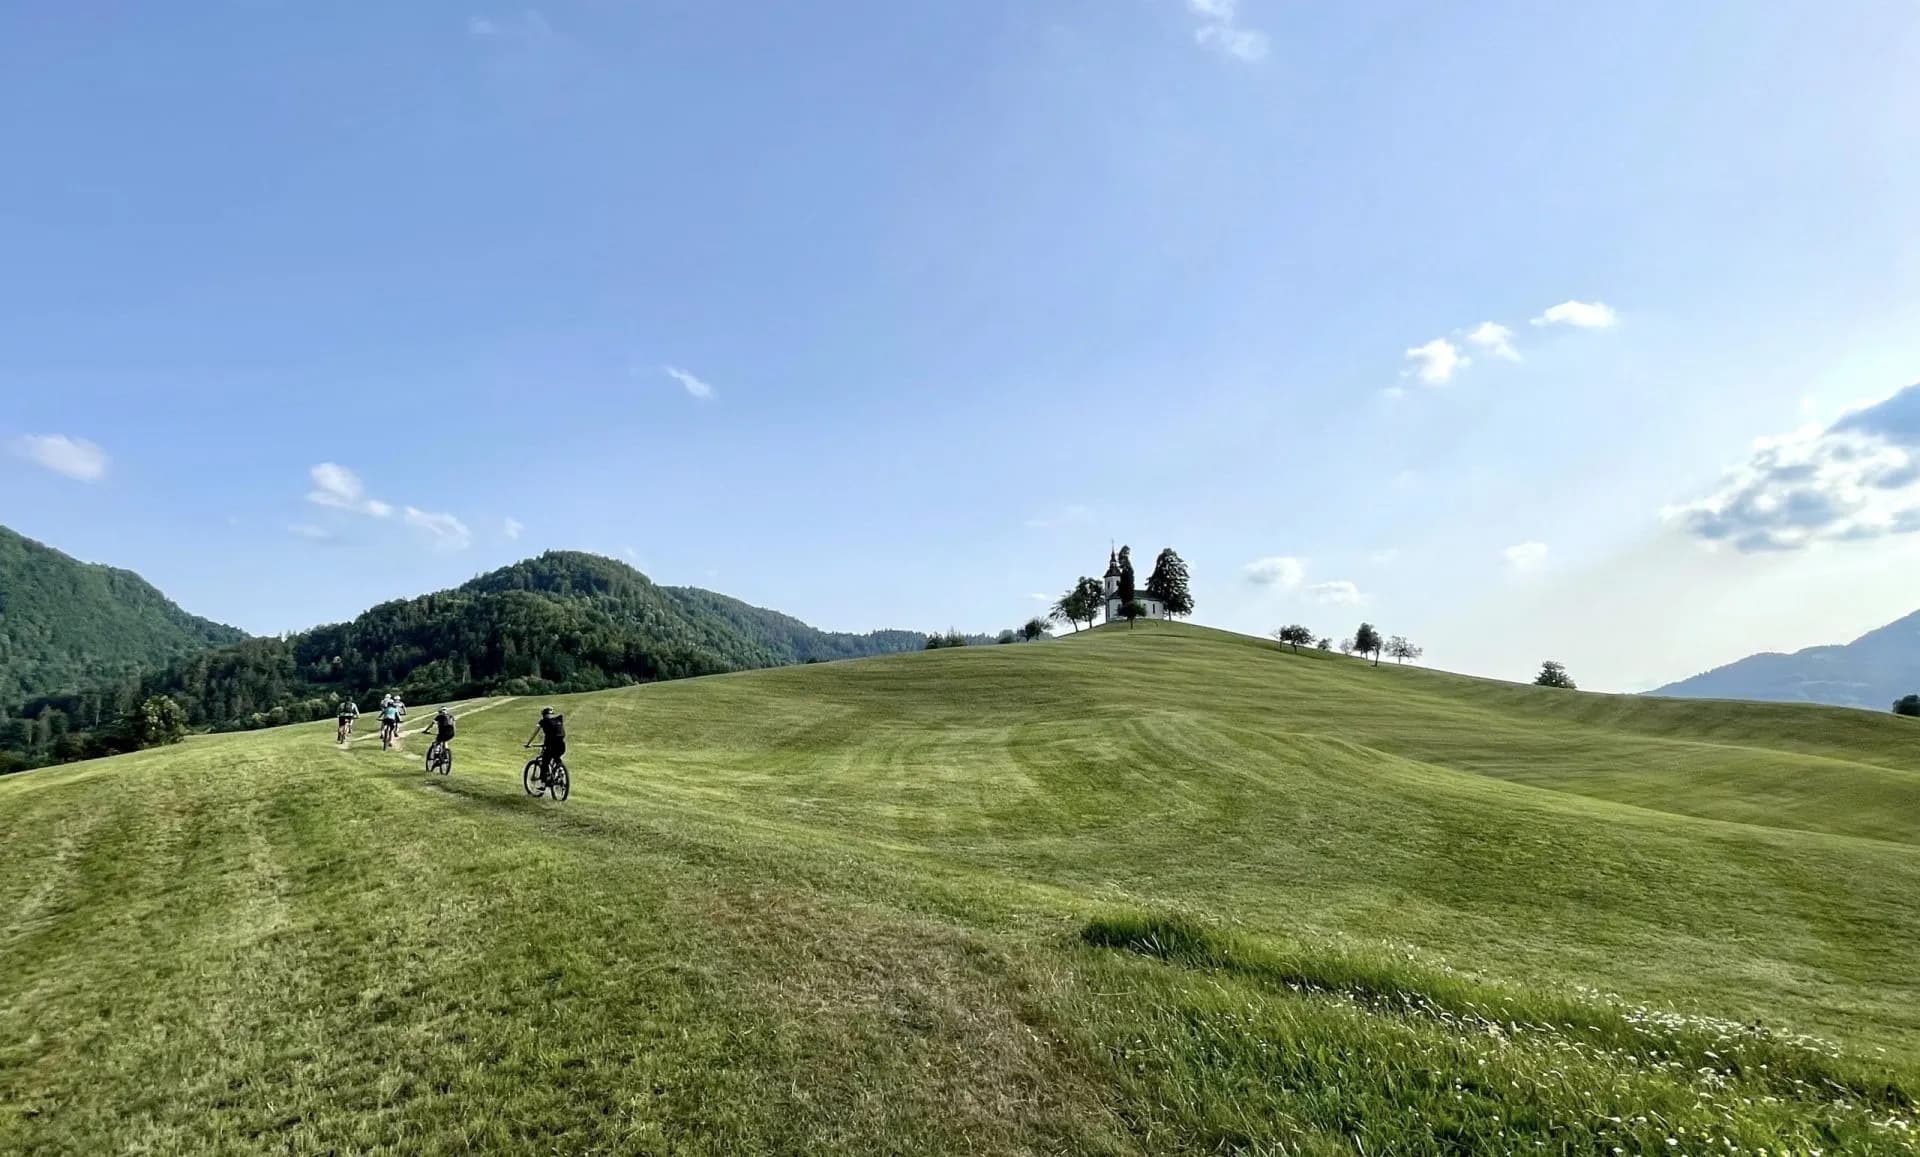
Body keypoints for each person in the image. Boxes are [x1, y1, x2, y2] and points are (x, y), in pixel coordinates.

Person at [523, 707, 567, 792]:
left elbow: (534, 733)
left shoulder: (543, 722)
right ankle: (560, 770)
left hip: (551, 746)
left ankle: (543, 785)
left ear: (543, 715)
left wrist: (528, 743)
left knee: (544, 763)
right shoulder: (558, 720)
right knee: (556, 757)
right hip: (562, 746)